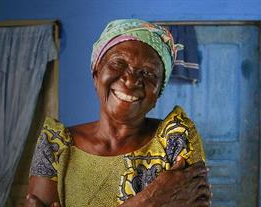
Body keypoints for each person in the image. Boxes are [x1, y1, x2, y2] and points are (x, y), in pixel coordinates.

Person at [25, 19, 211, 207]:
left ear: (158, 92)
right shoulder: (56, 144)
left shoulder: (175, 137)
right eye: (118, 63)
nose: (131, 81)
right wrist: (150, 200)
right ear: (96, 73)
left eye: (148, 73)